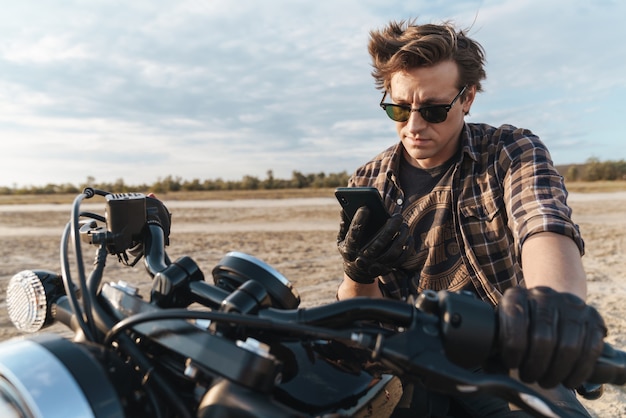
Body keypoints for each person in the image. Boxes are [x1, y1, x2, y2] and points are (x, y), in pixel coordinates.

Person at [336, 19, 607, 417]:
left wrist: (556, 307)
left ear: (468, 98)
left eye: (433, 109)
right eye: (398, 107)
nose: (413, 126)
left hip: (504, 353)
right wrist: (357, 274)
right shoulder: (367, 181)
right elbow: (360, 315)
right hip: (408, 358)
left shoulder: (509, 150)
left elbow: (543, 223)